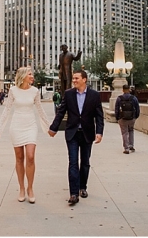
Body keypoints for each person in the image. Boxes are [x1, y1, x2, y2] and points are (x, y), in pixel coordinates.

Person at [0, 67, 51, 204]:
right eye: (30, 74)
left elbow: (40, 109)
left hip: (30, 125)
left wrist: (50, 127)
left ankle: (30, 188)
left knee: (30, 156)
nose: (32, 76)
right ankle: (21, 188)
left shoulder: (35, 91)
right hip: (16, 126)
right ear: (23, 76)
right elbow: (7, 110)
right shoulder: (13, 91)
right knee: (19, 158)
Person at [48, 69, 104, 206]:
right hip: (72, 133)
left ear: (84, 79)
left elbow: (99, 116)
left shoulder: (94, 95)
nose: (74, 80)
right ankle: (73, 193)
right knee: (73, 162)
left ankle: (82, 187)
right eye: (73, 78)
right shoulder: (68, 94)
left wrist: (99, 132)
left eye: (77, 78)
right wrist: (53, 127)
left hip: (87, 133)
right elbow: (61, 112)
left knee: (85, 162)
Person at [114, 84, 140, 154]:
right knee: (131, 130)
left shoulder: (119, 98)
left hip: (122, 118)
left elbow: (116, 109)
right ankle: (131, 145)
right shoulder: (133, 98)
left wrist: (117, 117)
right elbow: (137, 108)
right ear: (129, 89)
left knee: (124, 132)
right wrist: (136, 116)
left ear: (123, 90)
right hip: (132, 118)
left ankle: (126, 148)